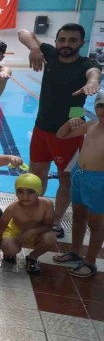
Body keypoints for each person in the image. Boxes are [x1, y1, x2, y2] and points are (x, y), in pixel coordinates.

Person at [18, 23, 101, 238]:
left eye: (72, 40)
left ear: (82, 43)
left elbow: (94, 73)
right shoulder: (51, 55)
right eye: (62, 40)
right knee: (36, 175)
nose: (66, 44)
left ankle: (56, 220)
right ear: (56, 42)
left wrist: (93, 82)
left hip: (70, 133)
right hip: (41, 128)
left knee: (66, 179)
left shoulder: (86, 63)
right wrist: (34, 48)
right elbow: (23, 32)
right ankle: (35, 214)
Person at [53, 90, 104, 277]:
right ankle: (75, 252)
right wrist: (70, 122)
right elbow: (61, 135)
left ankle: (90, 262)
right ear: (95, 107)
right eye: (100, 106)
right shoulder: (91, 125)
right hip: (79, 175)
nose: (103, 110)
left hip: (99, 181)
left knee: (96, 224)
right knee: (78, 217)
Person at [0, 174, 55, 274]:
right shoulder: (13, 208)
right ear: (16, 193)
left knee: (50, 238)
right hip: (15, 233)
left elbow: (48, 226)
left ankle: (32, 257)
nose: (25, 196)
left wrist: (31, 231)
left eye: (30, 192)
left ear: (39, 192)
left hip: (36, 234)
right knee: (8, 247)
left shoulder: (47, 204)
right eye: (20, 191)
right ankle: (9, 254)